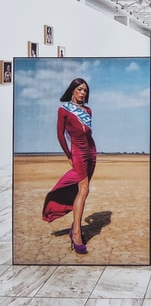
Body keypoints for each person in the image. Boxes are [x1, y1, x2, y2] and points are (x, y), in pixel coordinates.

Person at [42, 78, 97, 254]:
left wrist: (92, 152)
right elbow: (60, 135)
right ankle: (76, 233)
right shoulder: (64, 110)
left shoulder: (88, 110)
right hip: (78, 152)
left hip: (91, 152)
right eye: (79, 89)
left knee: (82, 190)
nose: (82, 93)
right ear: (72, 90)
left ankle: (76, 223)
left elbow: (88, 134)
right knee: (84, 190)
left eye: (85, 91)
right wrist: (69, 155)